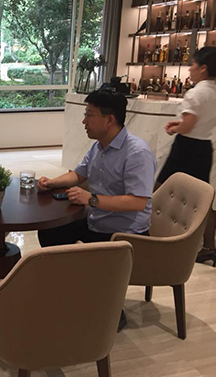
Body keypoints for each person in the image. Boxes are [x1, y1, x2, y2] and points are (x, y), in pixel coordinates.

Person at [36, 89, 156, 331]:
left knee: (69, 242)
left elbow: (138, 202)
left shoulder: (137, 153)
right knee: (49, 232)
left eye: (89, 115)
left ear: (109, 120)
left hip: (124, 233)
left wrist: (91, 200)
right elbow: (79, 175)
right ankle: (72, 289)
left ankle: (110, 310)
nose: (84, 121)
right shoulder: (99, 146)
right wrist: (52, 182)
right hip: (99, 221)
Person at [156, 47, 216, 265]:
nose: (189, 69)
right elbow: (200, 122)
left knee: (161, 186)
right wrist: (181, 124)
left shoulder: (195, 93)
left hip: (186, 147)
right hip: (204, 148)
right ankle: (209, 246)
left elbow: (188, 126)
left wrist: (175, 128)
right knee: (203, 198)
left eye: (192, 65)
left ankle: (149, 231)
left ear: (203, 68)